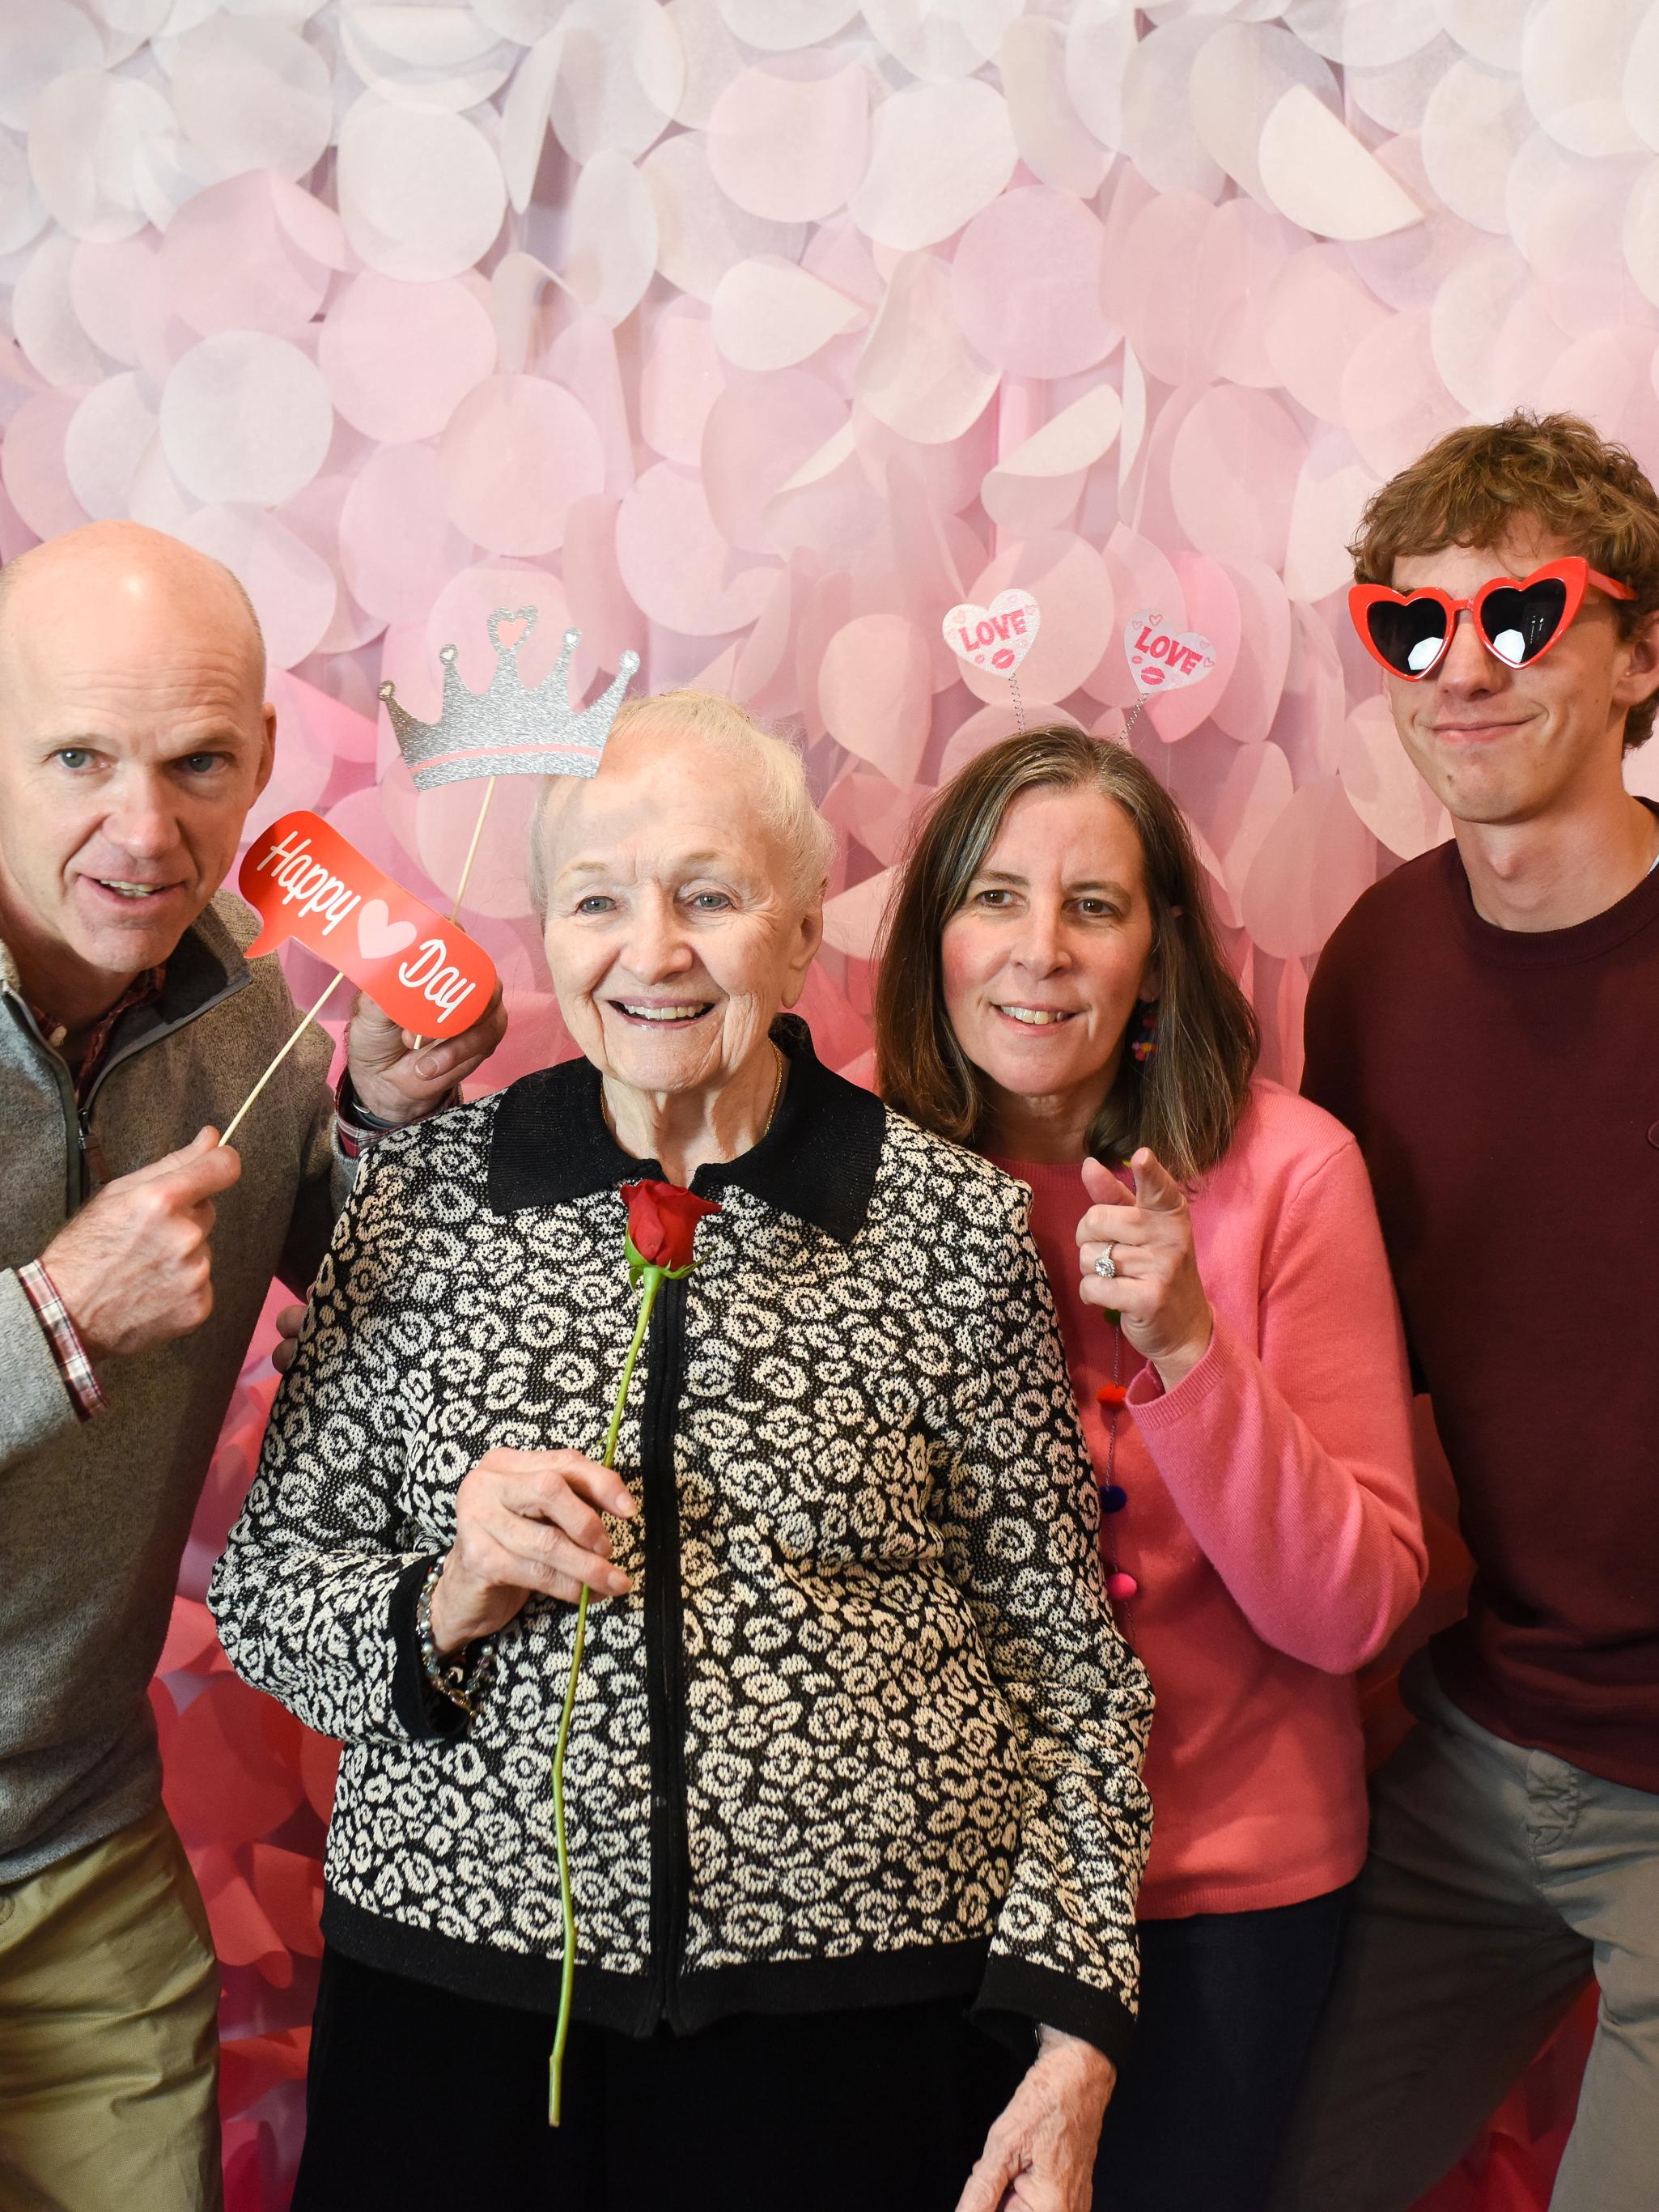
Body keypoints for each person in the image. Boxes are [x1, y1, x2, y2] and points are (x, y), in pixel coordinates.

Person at [208, 690, 1154, 2212]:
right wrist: (448, 1590)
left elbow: (1068, 1667)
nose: (650, 951)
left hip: (859, 2040)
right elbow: (266, 1596)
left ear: (795, 940)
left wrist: (1076, 2028)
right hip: (459, 2024)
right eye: (596, 899)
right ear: (546, 933)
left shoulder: (951, 1227)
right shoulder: (422, 1195)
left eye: (708, 897)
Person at [0, 521, 504, 2212]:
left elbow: (344, 1289)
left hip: (79, 1839)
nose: (146, 830)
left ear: (265, 762)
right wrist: (54, 1319)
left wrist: (370, 1121)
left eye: (197, 761)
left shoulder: (247, 1015)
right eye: (78, 755)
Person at [875, 727, 1426, 2212]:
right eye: (992, 897)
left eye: (1093, 906)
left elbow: (1350, 1611)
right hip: (933, 1890)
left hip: (1221, 1898)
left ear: (1160, 958)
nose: (1037, 952)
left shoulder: (1288, 1171)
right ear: (932, 932)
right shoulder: (849, 1163)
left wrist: (1188, 1345)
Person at [1271, 414, 1659, 2212]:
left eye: (1519, 609)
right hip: (1492, 1742)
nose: (1465, 666)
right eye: (1412, 627)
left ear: (1635, 650)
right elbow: (1364, 1381)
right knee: (1254, 2172)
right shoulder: (1377, 968)